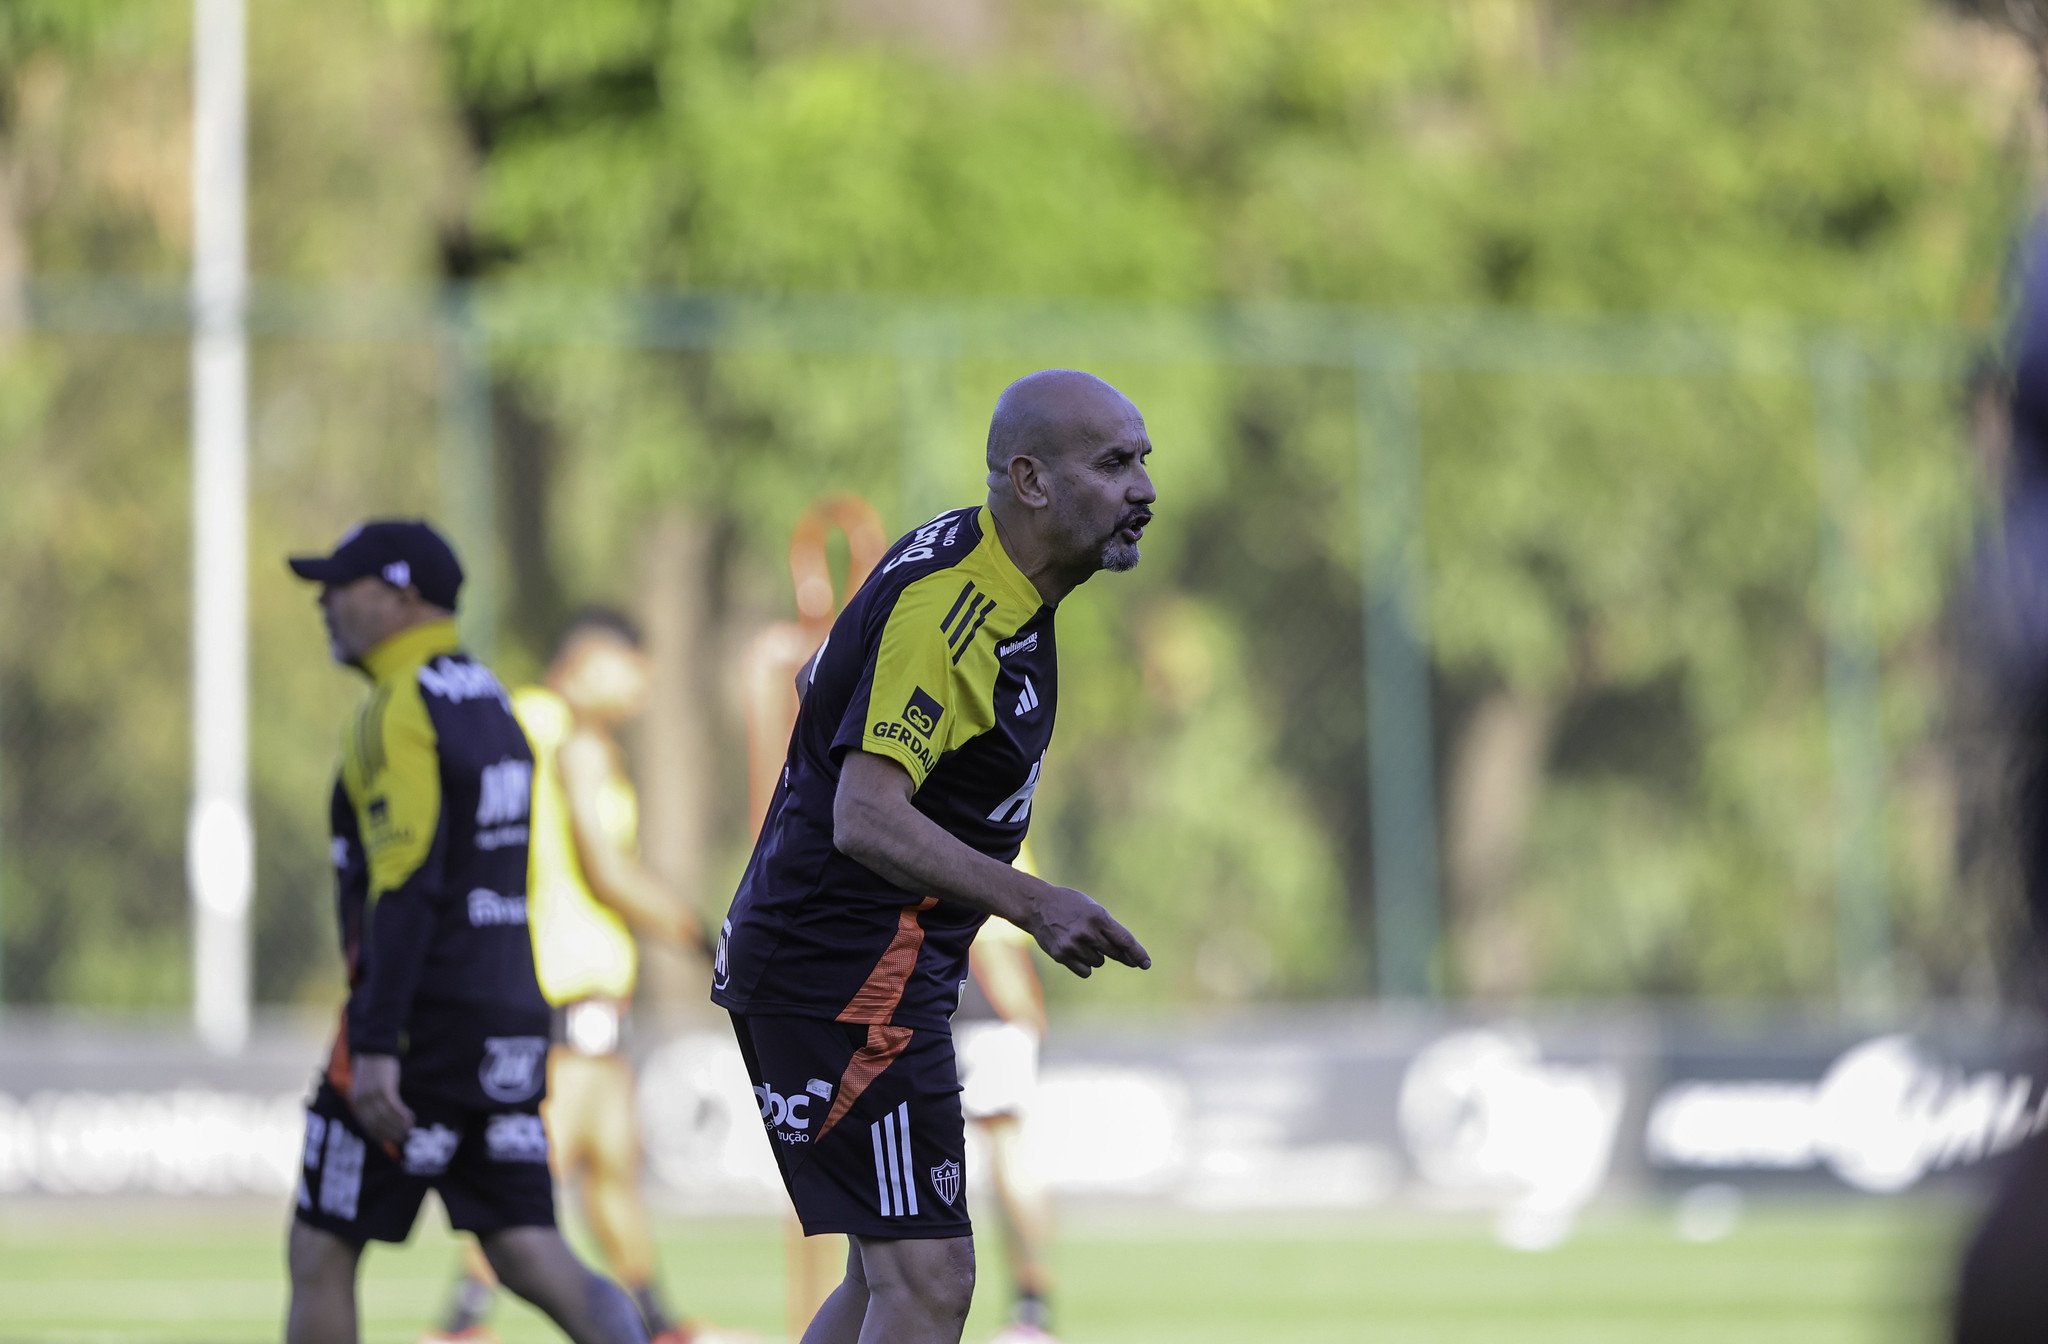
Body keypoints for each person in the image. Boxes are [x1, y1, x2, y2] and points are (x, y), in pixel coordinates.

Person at [712, 369, 1158, 1344]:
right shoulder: (954, 606)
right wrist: (1034, 904)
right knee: (929, 1282)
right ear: (1032, 482)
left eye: (1142, 462)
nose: (1141, 490)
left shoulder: (985, 569)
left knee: (885, 1279)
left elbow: (821, 679)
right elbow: (864, 817)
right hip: (839, 978)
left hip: (848, 970)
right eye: (1113, 463)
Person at [283, 519, 647, 1344]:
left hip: (415, 1031)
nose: (325, 602)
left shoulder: (395, 710)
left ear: (400, 595)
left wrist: (376, 1041)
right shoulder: (490, 701)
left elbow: (406, 885)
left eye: (341, 585)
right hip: (509, 1017)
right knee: (532, 1252)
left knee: (321, 1246)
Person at [426, 610, 721, 1344]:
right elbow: (605, 869)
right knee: (544, 1157)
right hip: (557, 984)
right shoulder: (563, 735)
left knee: (609, 1162)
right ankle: (462, 1322)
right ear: (590, 662)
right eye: (635, 676)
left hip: (577, 991)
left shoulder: (528, 724)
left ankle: (655, 1319)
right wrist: (706, 937)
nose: (642, 695)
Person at [956, 908, 1058, 1344]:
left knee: (1007, 1161)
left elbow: (993, 930)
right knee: (1000, 1166)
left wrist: (1020, 1015)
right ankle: (1029, 1306)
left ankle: (1033, 1307)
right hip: (983, 1011)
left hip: (987, 1010)